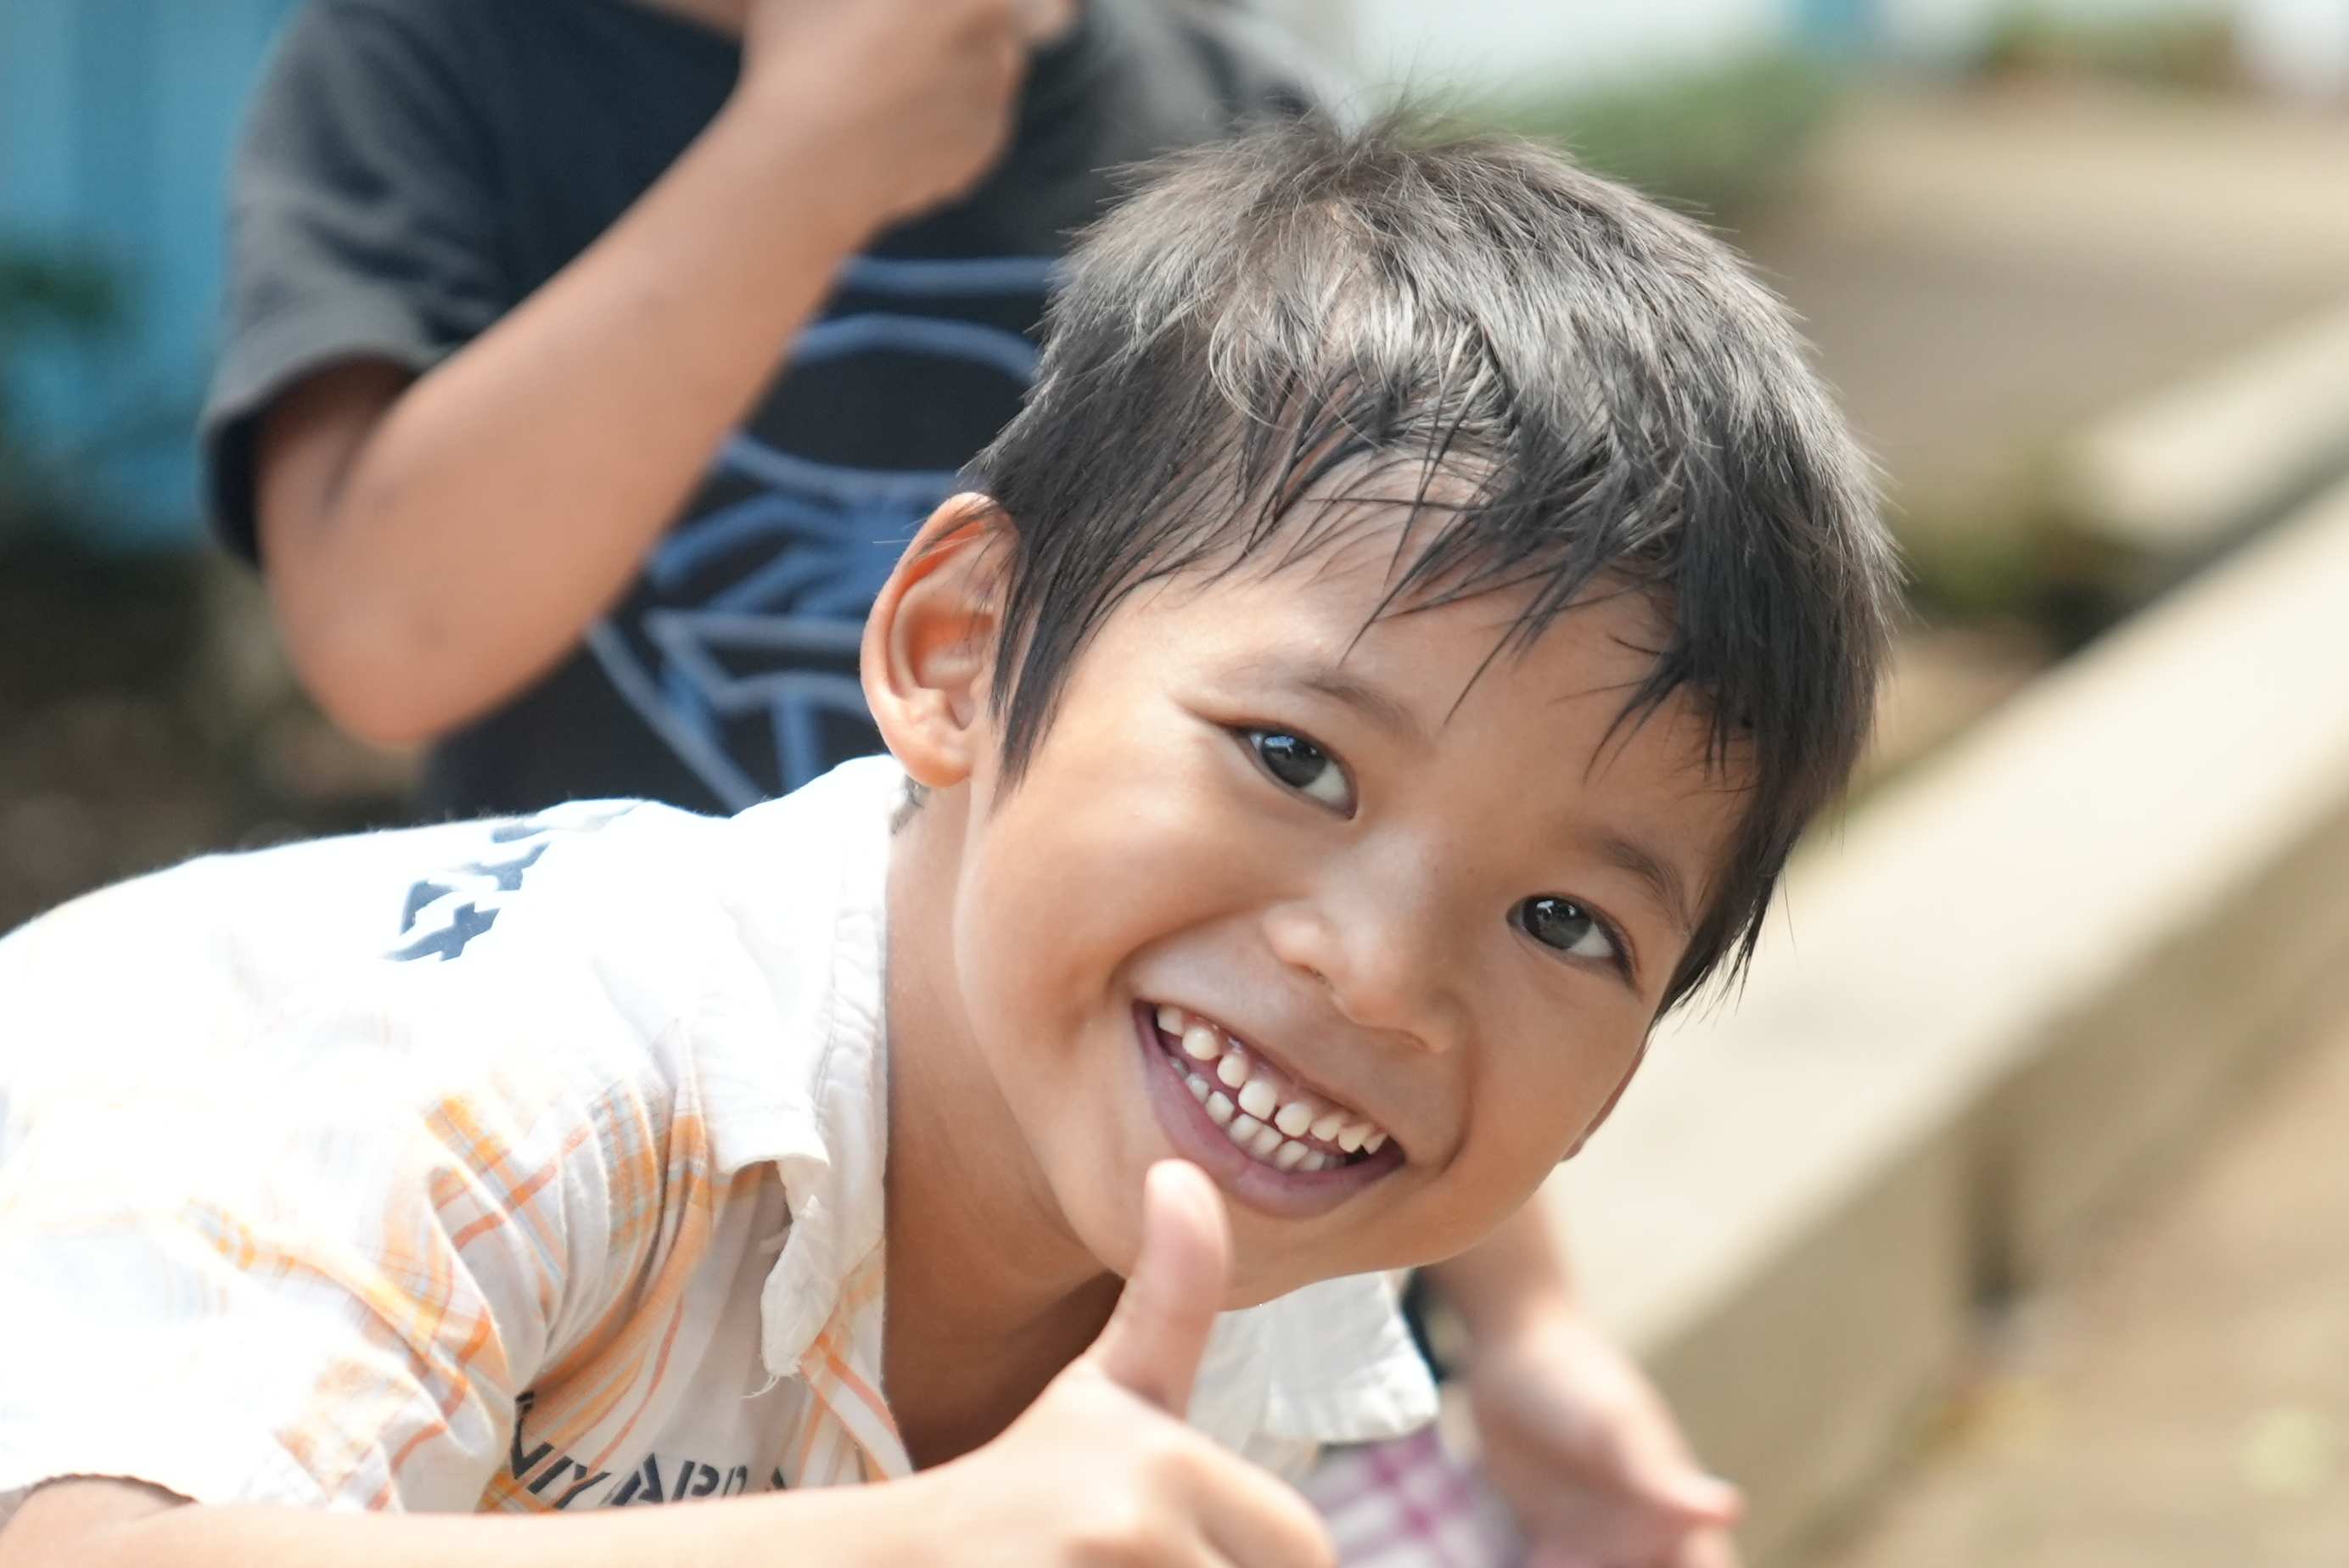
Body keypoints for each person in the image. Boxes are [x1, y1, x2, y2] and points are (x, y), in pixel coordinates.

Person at [1, 119, 1896, 1565]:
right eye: (1293, 762)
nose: (1381, 978)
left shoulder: (1250, 1309)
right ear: (958, 653)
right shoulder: (525, 1077)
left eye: (1565, 918)